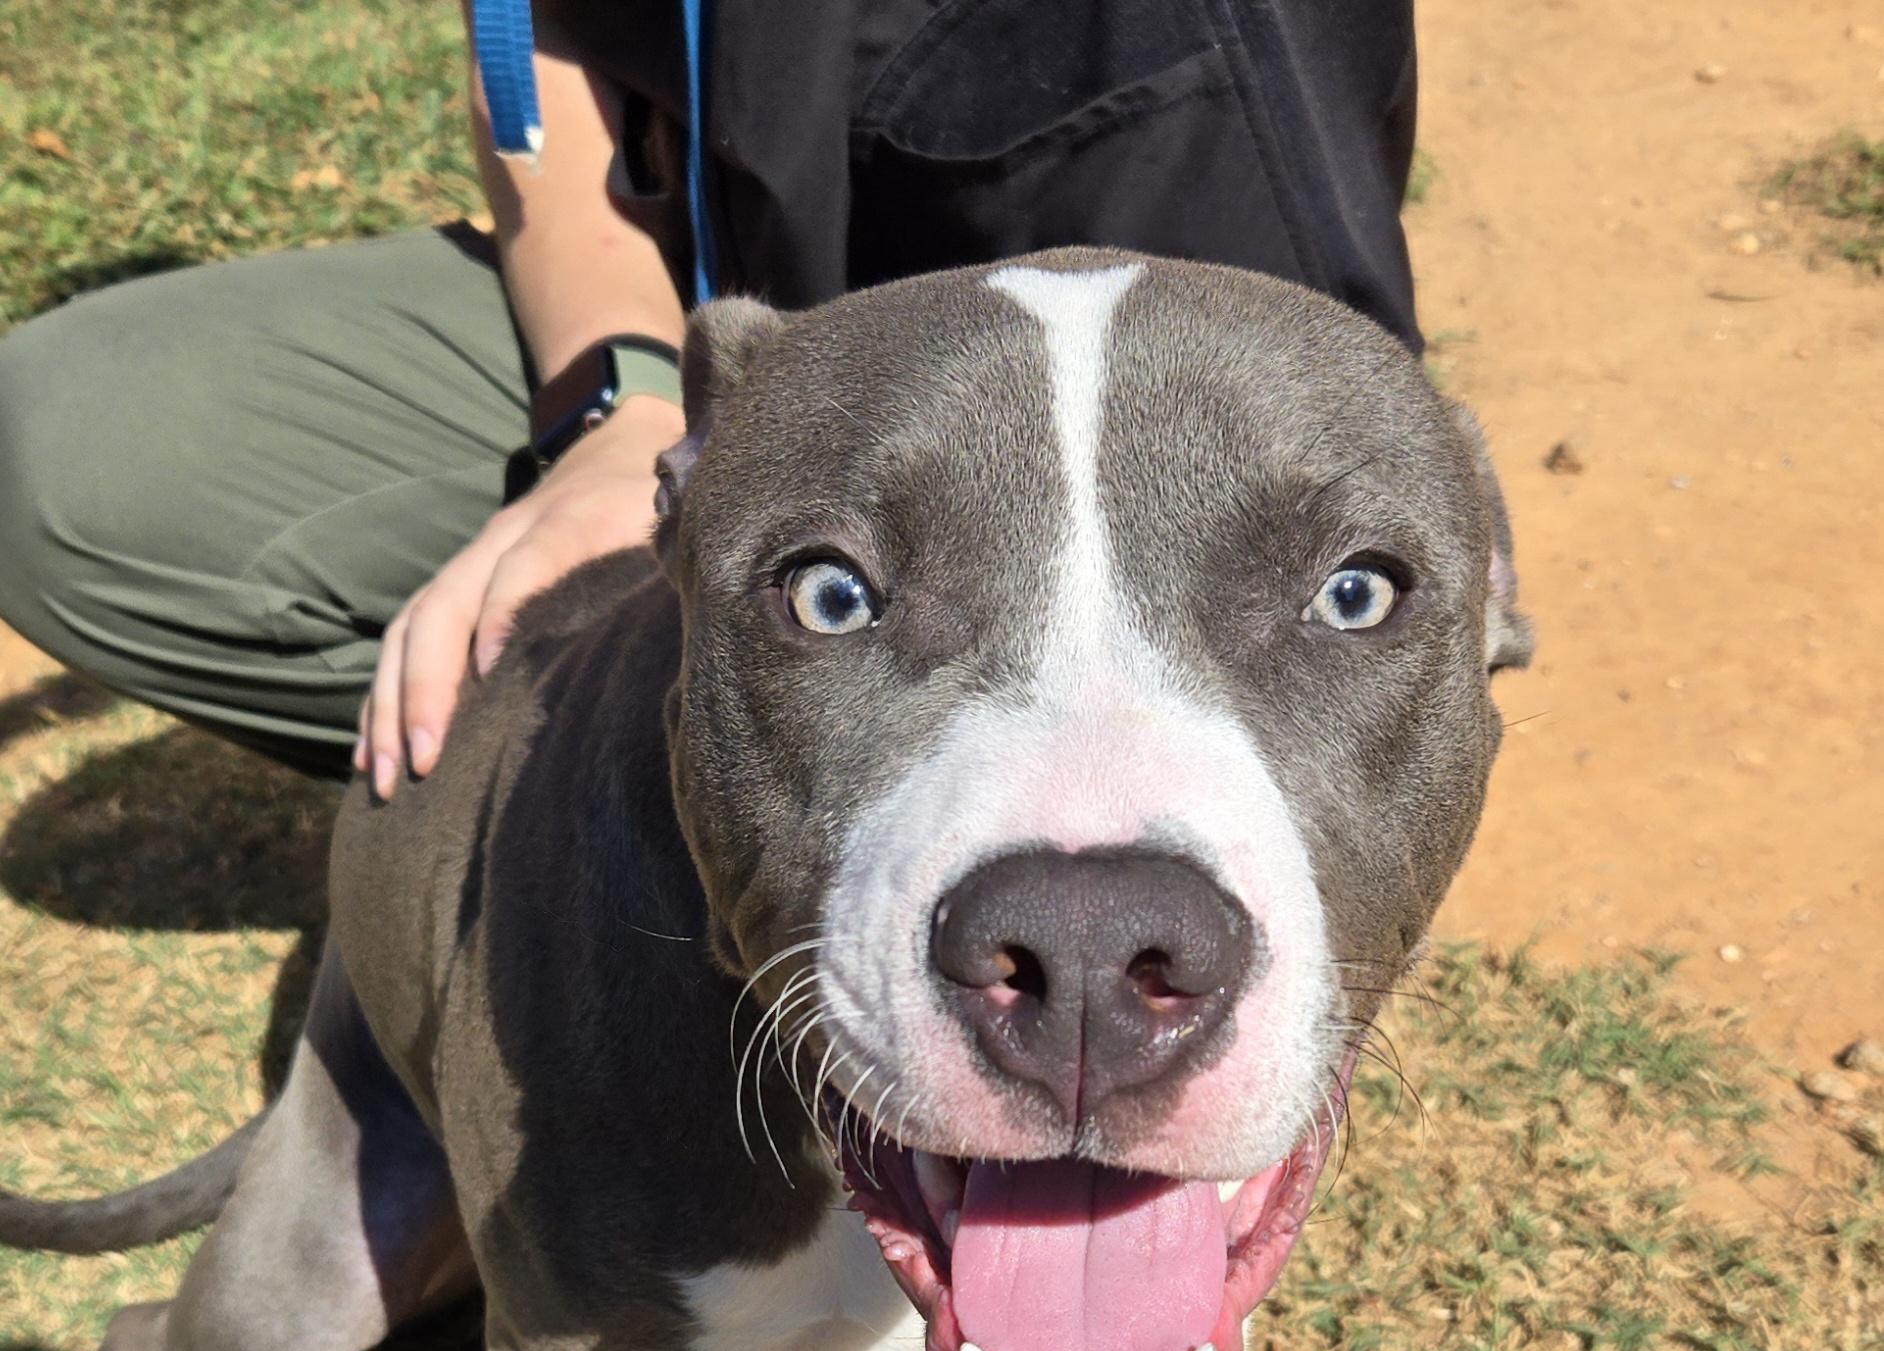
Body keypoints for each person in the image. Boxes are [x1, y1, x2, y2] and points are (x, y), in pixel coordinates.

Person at [0, 2, 1420, 800]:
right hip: (716, 347)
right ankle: (639, 852)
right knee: (77, 453)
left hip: (1058, 490)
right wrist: (617, 412)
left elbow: (1277, 526)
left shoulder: (1210, 53)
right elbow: (541, 57)